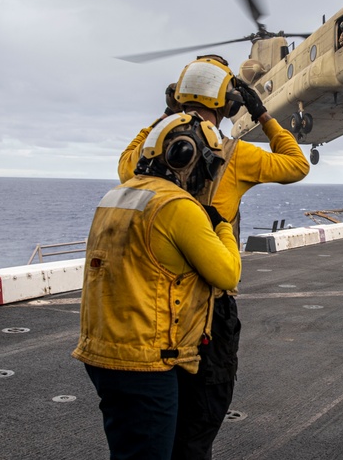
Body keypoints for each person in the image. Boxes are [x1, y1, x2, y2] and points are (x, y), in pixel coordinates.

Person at [117, 55, 309, 460]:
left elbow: (123, 167)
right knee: (198, 425)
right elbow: (296, 164)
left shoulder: (149, 156)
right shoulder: (235, 155)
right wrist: (263, 112)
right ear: (229, 104)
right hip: (209, 310)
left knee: (154, 427)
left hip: (154, 306)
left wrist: (164, 117)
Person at [74, 112, 242, 460]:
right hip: (145, 362)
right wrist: (222, 225)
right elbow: (228, 274)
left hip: (104, 352)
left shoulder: (117, 196)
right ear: (188, 159)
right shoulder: (177, 205)